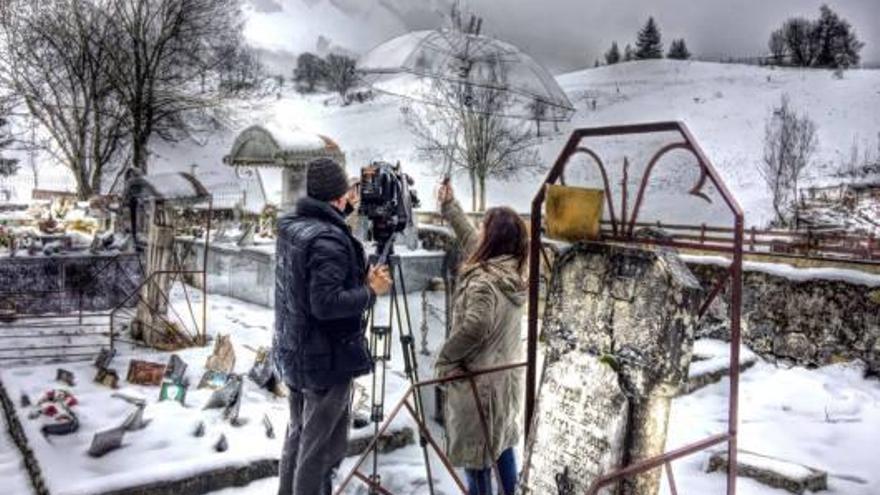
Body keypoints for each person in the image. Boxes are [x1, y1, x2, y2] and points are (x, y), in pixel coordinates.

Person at [273, 158, 392, 495]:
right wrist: (371, 291)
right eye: (348, 192)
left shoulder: (293, 225)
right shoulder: (328, 239)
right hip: (325, 361)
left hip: (296, 352)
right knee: (321, 452)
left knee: (298, 438)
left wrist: (357, 277)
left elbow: (309, 286)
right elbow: (326, 304)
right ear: (338, 198)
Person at [434, 180, 528, 495]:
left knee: (477, 466)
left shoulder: (484, 282)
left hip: (479, 386)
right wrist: (450, 207)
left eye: (485, 228)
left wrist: (445, 359)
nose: (480, 233)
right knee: (501, 449)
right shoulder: (510, 270)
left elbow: (476, 325)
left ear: (494, 239)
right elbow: (472, 240)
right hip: (504, 381)